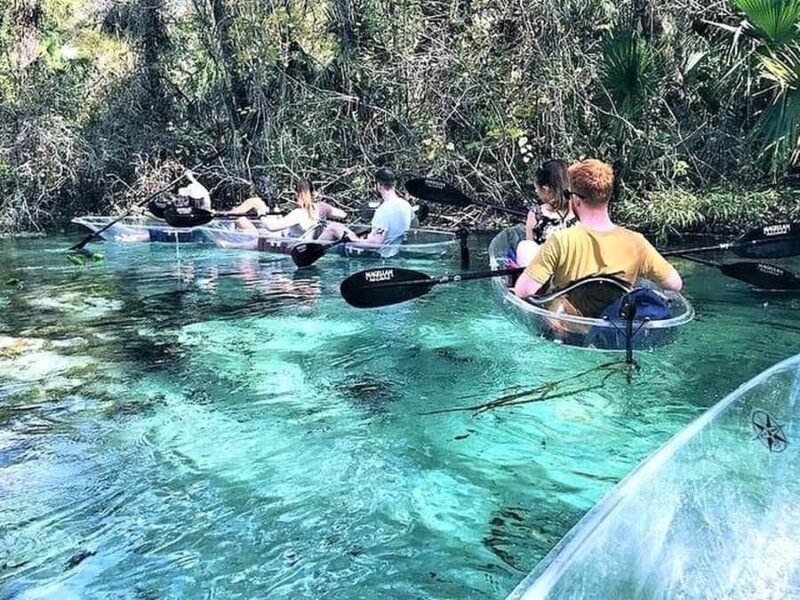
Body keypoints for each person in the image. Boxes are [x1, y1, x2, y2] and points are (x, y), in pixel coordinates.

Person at [513, 159, 682, 317]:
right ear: (607, 195)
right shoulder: (637, 242)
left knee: (525, 248)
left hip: (567, 328)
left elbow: (523, 291)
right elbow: (675, 284)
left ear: (576, 199)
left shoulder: (560, 241)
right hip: (614, 324)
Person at [515, 159, 577, 267]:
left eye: (537, 188)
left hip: (545, 277)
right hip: (577, 278)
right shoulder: (582, 211)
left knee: (524, 246)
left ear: (546, 189)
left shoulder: (535, 214)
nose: (536, 192)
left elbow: (529, 254)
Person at [361, 167, 414, 245]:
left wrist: (354, 239)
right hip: (398, 253)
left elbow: (376, 242)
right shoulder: (406, 205)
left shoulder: (383, 210)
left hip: (383, 255)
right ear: (394, 184)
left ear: (379, 185)